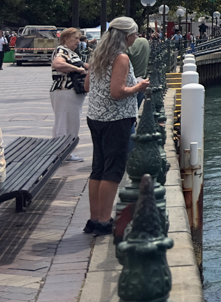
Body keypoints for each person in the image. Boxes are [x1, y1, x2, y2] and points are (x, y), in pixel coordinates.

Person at [83, 17, 149, 236]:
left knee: (98, 168)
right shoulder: (121, 58)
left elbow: (87, 85)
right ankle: (104, 220)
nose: (136, 38)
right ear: (127, 36)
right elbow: (117, 92)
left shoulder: (98, 56)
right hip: (116, 120)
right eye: (135, 34)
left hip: (96, 117)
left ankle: (93, 218)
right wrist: (138, 86)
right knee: (112, 170)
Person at [50, 28, 89, 161]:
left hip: (65, 92)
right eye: (76, 38)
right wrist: (78, 69)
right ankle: (64, 153)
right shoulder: (63, 50)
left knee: (63, 121)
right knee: (68, 123)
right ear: (66, 39)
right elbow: (57, 63)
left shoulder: (70, 52)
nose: (78, 41)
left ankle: (61, 151)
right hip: (66, 91)